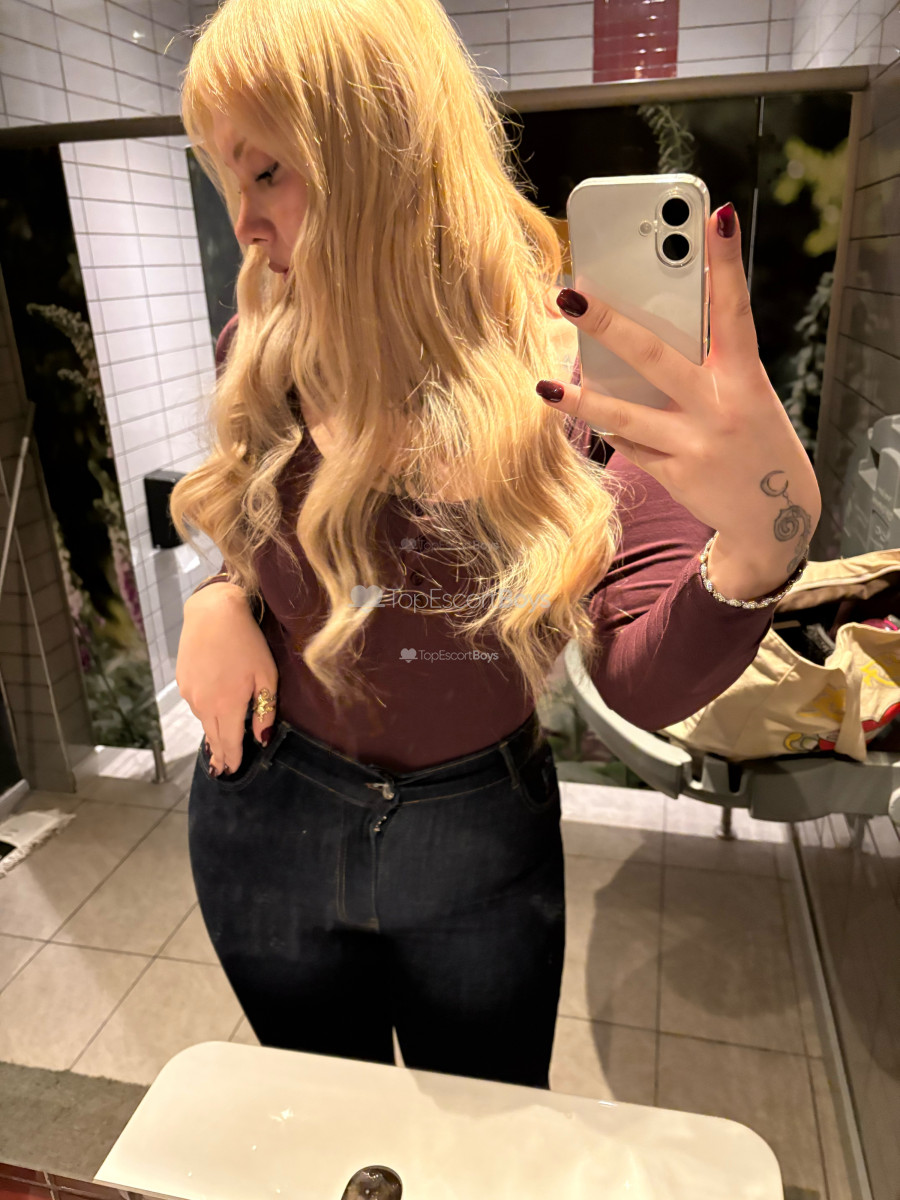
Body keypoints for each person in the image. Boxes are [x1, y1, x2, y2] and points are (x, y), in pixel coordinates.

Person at [172, 0, 820, 1090]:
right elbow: (256, 535)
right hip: (263, 808)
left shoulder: (570, 373)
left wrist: (761, 536)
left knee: (488, 1139)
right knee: (323, 1126)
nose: (243, 224)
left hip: (473, 834)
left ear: (379, 146)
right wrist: (220, 595)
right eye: (226, 179)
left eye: (267, 172)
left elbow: (642, 676)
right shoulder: (265, 343)